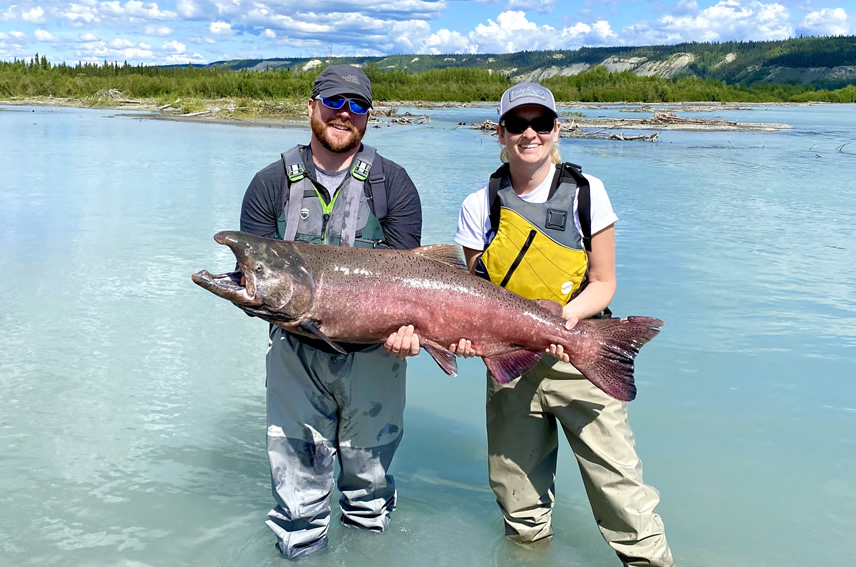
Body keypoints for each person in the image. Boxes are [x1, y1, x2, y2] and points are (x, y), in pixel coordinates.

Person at [452, 82, 676, 566]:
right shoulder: (479, 205)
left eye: (540, 123)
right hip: (510, 367)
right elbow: (476, 296)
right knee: (519, 504)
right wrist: (472, 342)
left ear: (557, 129)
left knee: (623, 495)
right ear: (500, 133)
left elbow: (604, 282)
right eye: (517, 124)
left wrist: (566, 321)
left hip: (580, 353)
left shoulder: (588, 193)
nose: (529, 133)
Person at [238, 65, 423, 559]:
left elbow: (411, 282)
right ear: (311, 107)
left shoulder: (394, 185)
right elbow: (259, 288)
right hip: (295, 353)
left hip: (377, 356)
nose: (345, 113)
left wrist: (410, 332)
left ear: (368, 116)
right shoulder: (269, 183)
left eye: (357, 105)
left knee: (370, 493)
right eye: (334, 102)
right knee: (296, 506)